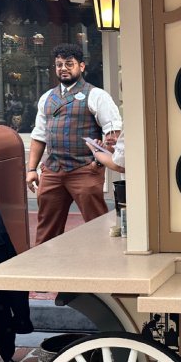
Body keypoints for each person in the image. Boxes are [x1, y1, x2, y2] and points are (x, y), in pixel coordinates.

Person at [26, 44, 121, 244]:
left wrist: (100, 161)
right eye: (59, 64)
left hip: (84, 169)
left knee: (97, 223)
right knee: (46, 228)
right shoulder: (47, 98)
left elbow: (113, 133)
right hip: (52, 170)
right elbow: (38, 135)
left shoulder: (97, 95)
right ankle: (42, 268)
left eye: (69, 64)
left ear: (82, 66)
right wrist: (32, 169)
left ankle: (103, 264)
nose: (63, 68)